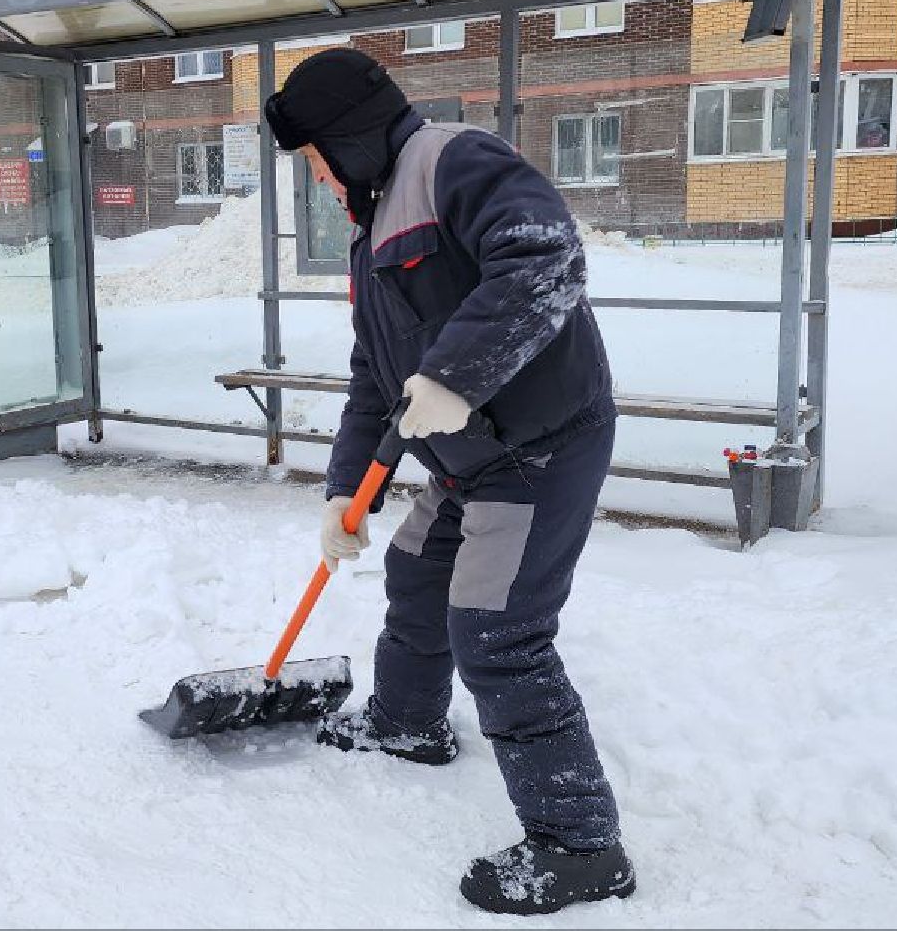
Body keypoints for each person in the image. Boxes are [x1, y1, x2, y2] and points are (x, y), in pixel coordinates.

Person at [263, 48, 633, 915]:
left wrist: (457, 373)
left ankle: (581, 843)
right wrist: (343, 490)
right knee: (416, 571)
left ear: (350, 140)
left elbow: (544, 262)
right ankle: (407, 722)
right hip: (465, 457)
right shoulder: (373, 229)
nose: (316, 177)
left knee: (497, 632)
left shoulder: (452, 161)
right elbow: (372, 378)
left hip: (533, 450)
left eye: (316, 156)